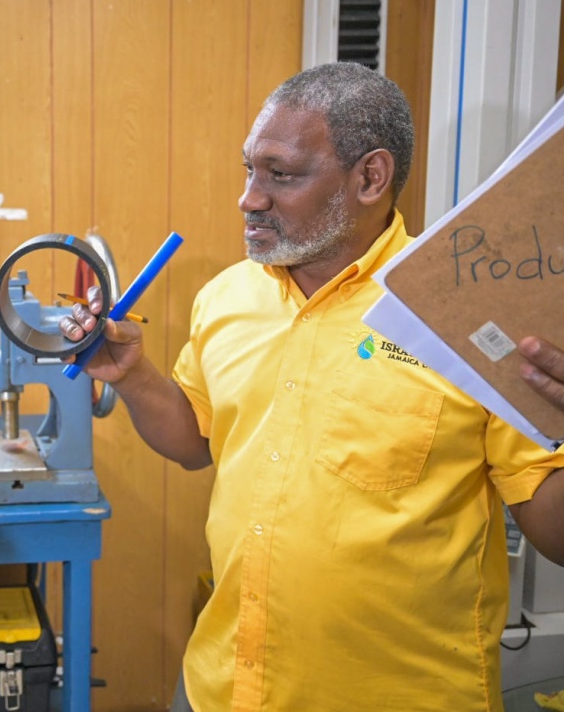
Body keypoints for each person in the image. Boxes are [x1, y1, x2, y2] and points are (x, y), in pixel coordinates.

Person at [62, 62, 564, 711]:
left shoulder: (462, 316)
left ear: (370, 177)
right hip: (225, 689)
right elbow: (195, 439)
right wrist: (133, 376)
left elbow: (552, 530)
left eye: (281, 174)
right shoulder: (229, 297)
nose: (249, 197)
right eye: (249, 169)